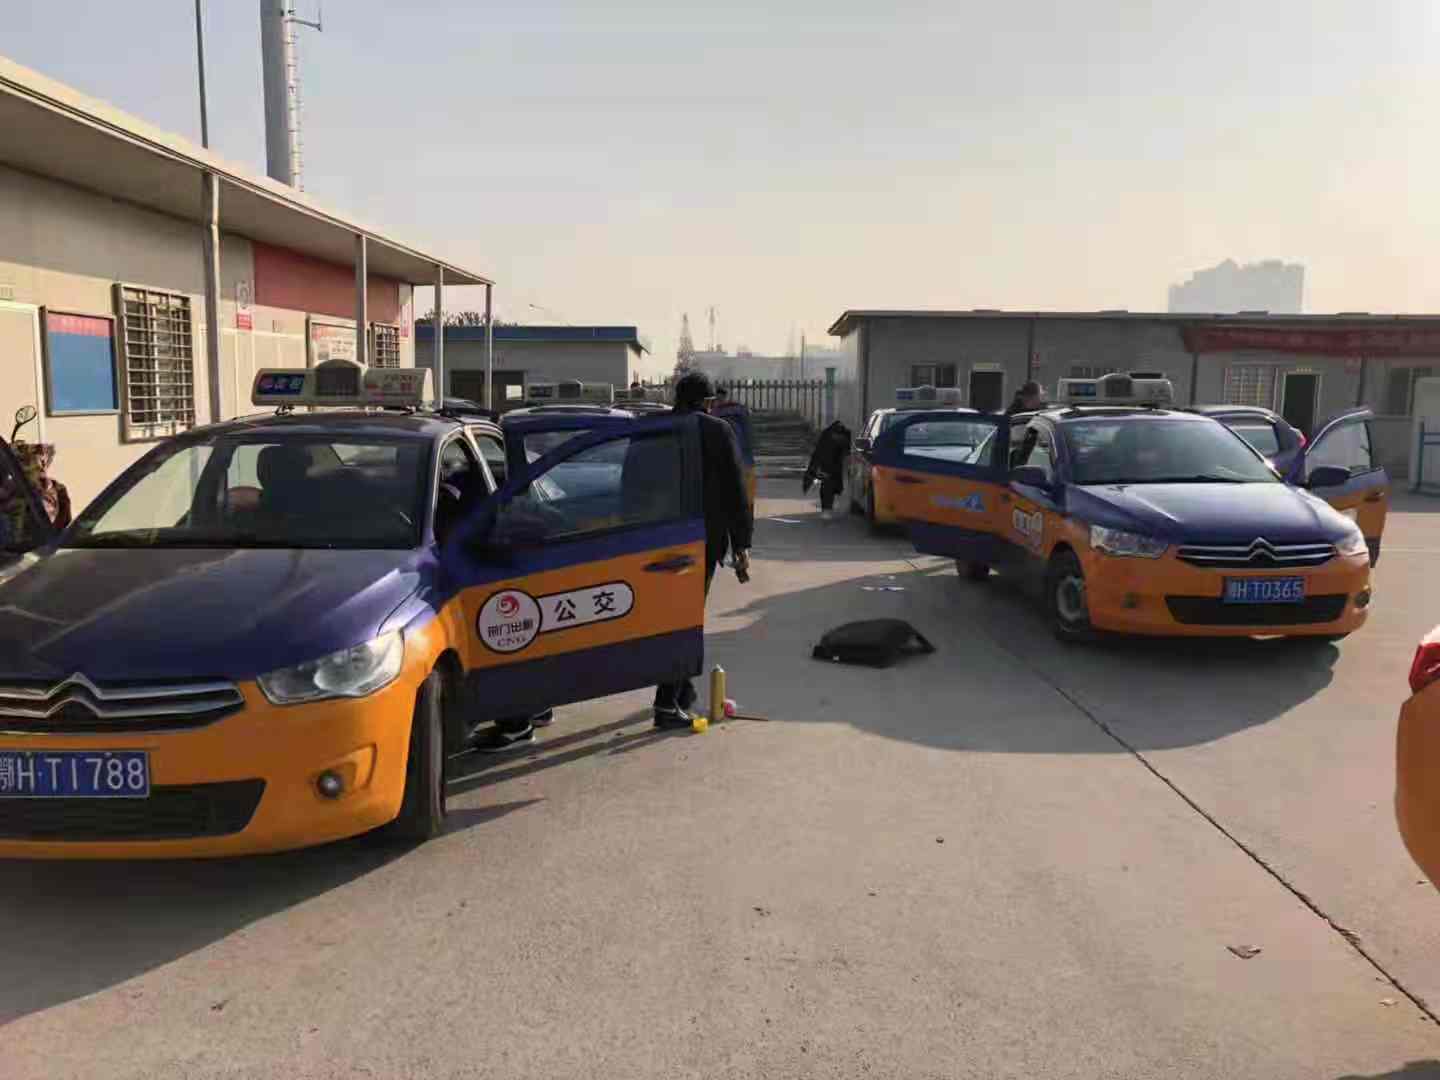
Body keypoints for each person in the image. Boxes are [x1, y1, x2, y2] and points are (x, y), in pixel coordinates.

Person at [653, 371, 753, 728]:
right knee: (685, 619)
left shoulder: (655, 429)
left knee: (665, 617)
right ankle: (667, 703)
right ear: (708, 402)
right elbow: (735, 492)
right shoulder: (717, 431)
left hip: (652, 541)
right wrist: (742, 544)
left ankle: (681, 692)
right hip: (700, 541)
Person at [803, 420, 852, 520]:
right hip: (831, 466)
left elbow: (818, 453)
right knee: (829, 486)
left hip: (829, 465)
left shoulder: (828, 434)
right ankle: (827, 508)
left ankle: (827, 509)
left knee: (828, 486)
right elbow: (846, 451)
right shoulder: (838, 435)